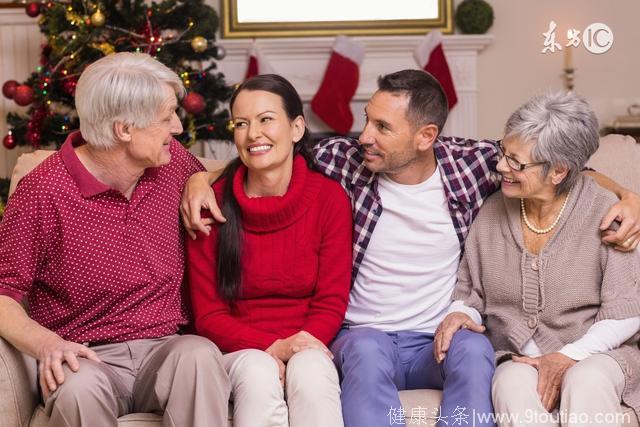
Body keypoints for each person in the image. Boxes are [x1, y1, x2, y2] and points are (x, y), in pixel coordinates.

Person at [181, 70, 640, 427]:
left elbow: (560, 166)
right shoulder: (344, 160)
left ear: (426, 136)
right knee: (362, 349)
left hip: (438, 335)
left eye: (383, 127)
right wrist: (201, 177)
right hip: (366, 333)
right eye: (367, 121)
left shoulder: (478, 165)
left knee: (477, 353)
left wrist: (629, 196)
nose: (364, 137)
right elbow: (262, 151)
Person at [0, 52, 230, 427]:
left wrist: (200, 179)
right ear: (124, 129)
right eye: (166, 116)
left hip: (164, 347)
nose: (176, 127)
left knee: (200, 355)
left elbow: (238, 171)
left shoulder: (171, 166)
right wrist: (47, 344)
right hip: (86, 354)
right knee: (77, 390)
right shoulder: (42, 192)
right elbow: (2, 293)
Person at [437, 92, 640, 426]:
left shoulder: (606, 212)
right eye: (505, 151)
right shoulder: (491, 213)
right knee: (511, 385)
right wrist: (459, 314)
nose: (502, 166)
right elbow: (469, 291)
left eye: (517, 162)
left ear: (558, 171)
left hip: (597, 354)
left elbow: (626, 313)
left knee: (585, 380)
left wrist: (568, 356)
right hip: (517, 356)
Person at [186, 74, 352, 427]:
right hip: (238, 350)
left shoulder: (328, 199)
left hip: (309, 342)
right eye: (241, 124)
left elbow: (331, 301)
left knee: (309, 371)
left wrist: (297, 346)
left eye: (266, 120)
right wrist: (272, 347)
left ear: (296, 128)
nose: (252, 134)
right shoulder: (210, 206)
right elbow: (209, 316)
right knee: (259, 372)